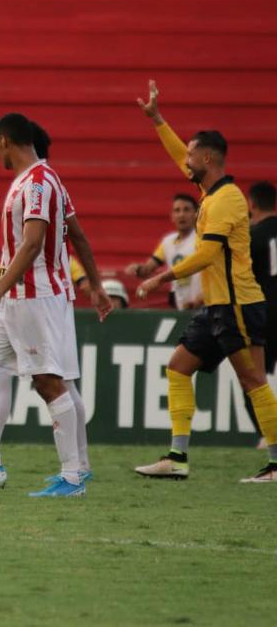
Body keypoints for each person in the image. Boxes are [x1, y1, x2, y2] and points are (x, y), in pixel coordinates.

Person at [0, 113, 112, 498]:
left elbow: (33, 245)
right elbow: (75, 239)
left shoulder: (38, 184)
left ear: (4, 141)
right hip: (16, 295)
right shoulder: (38, 180)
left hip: (36, 297)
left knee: (49, 382)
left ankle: (73, 477)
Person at [133, 81, 277, 483]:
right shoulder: (210, 192)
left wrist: (163, 276)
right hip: (216, 307)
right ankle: (177, 457)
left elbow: (208, 254)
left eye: (194, 153)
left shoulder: (227, 199)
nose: (187, 159)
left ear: (208, 157)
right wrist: (158, 120)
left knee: (253, 382)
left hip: (239, 305)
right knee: (178, 368)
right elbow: (179, 153)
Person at [124, 194, 203, 309]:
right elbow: (147, 269)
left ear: (196, 214)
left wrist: (202, 298)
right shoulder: (168, 242)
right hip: (181, 307)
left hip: (204, 306)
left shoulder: (203, 239)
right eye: (177, 210)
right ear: (172, 216)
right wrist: (137, 269)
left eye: (186, 210)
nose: (181, 214)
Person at [243, 181, 277, 447]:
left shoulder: (252, 236)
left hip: (263, 314)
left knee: (253, 377)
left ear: (251, 204)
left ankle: (267, 435)